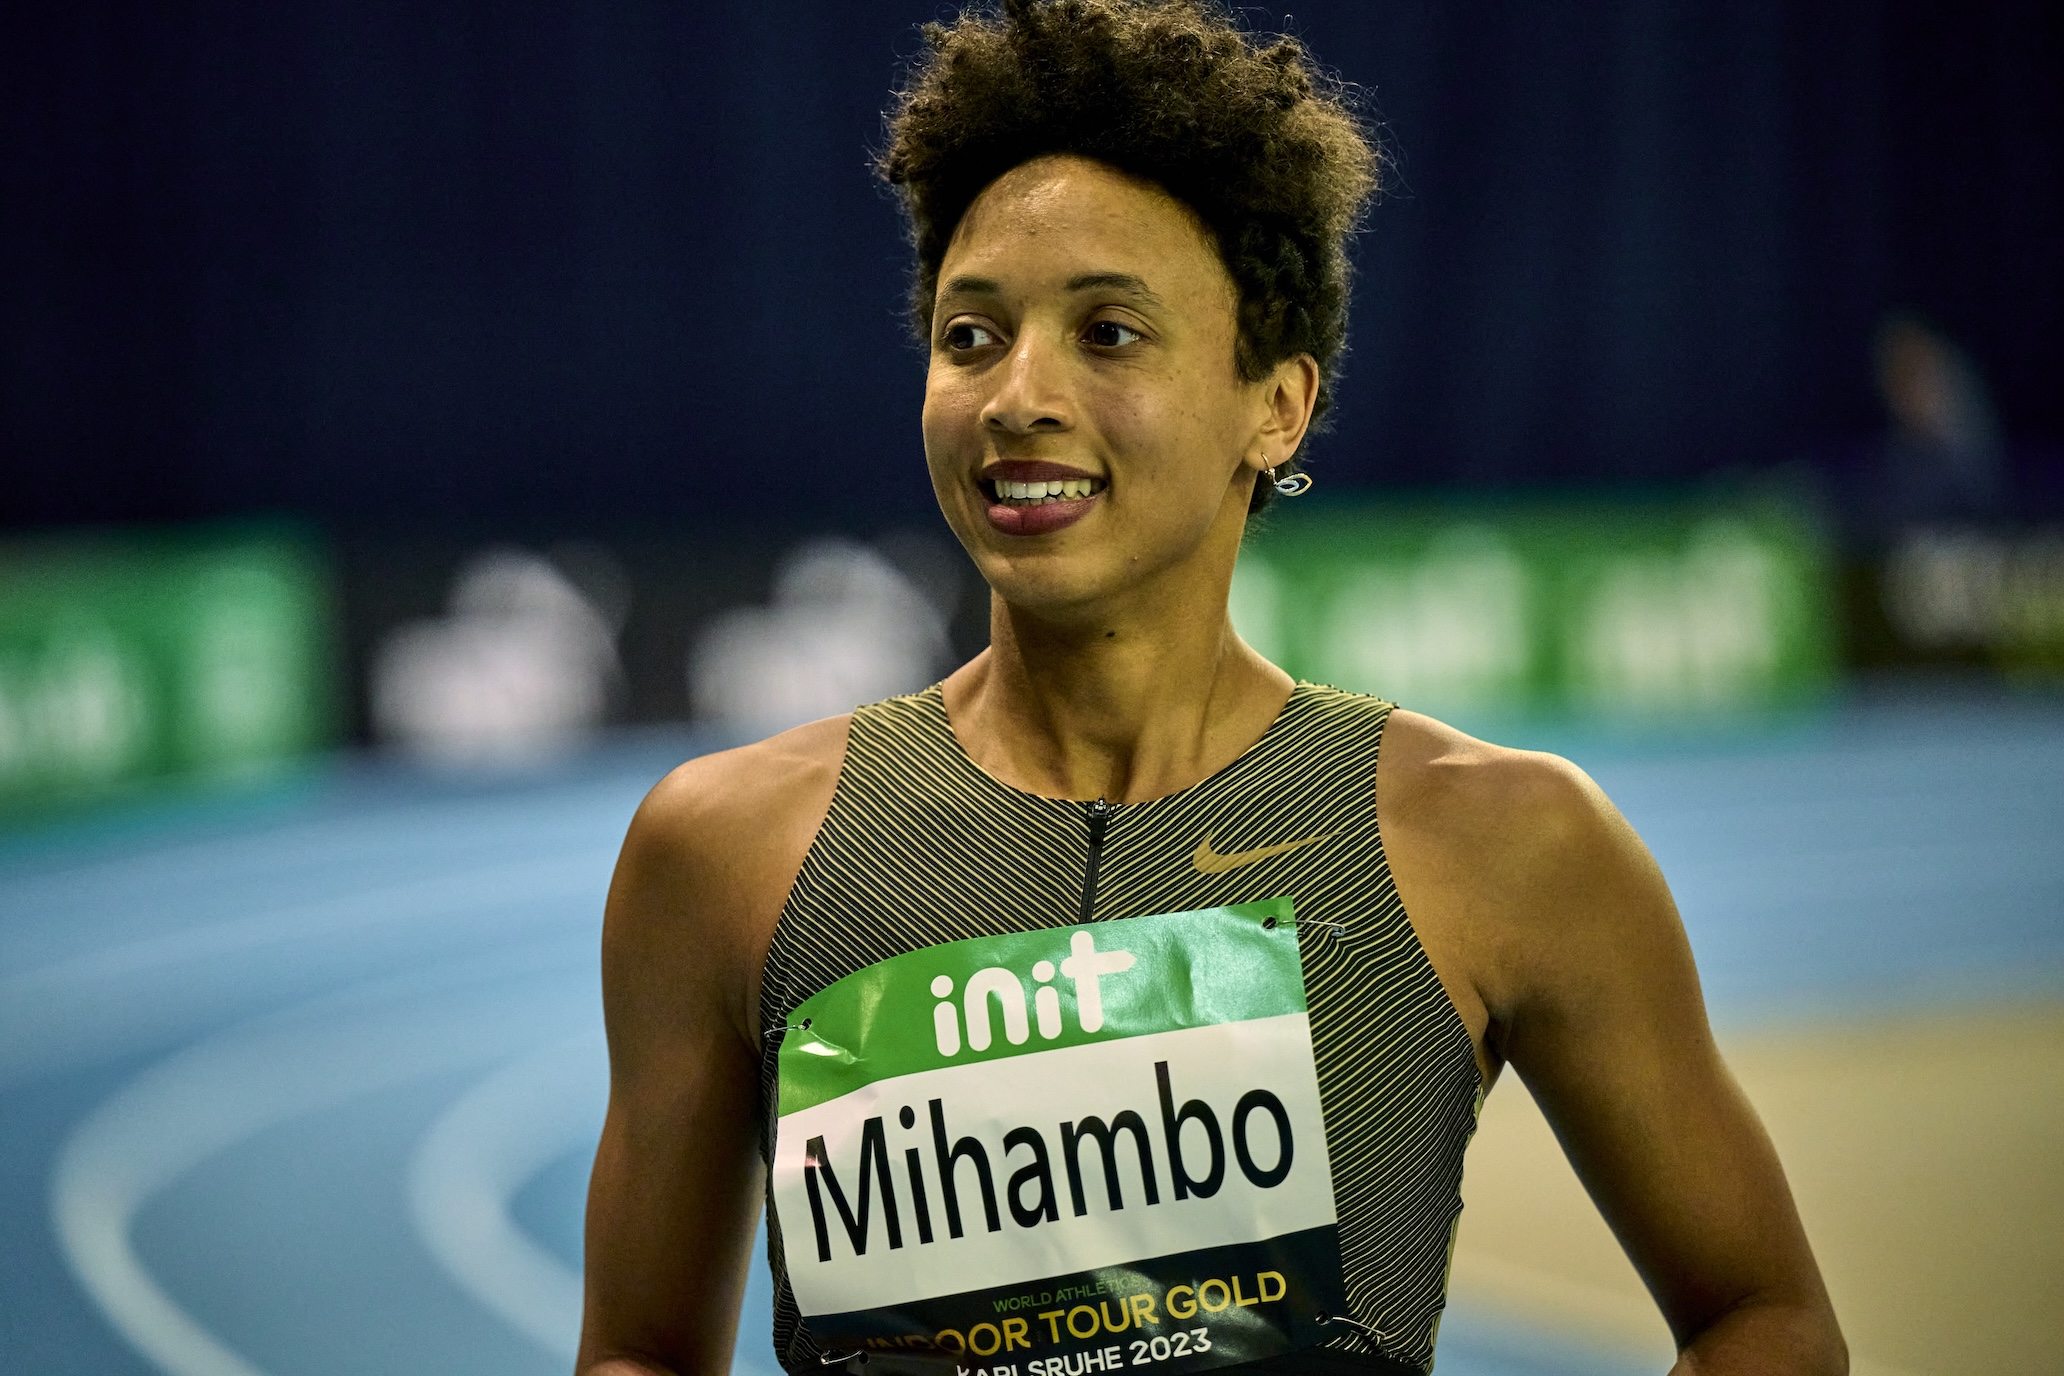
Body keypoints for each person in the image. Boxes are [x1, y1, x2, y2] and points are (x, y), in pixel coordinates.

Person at [575, 2, 1846, 1372]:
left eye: (1110, 332)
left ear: (1276, 405)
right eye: (971, 335)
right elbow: (638, 1351)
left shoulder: (1507, 846)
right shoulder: (725, 852)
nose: (1017, 395)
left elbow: (1764, 1318)